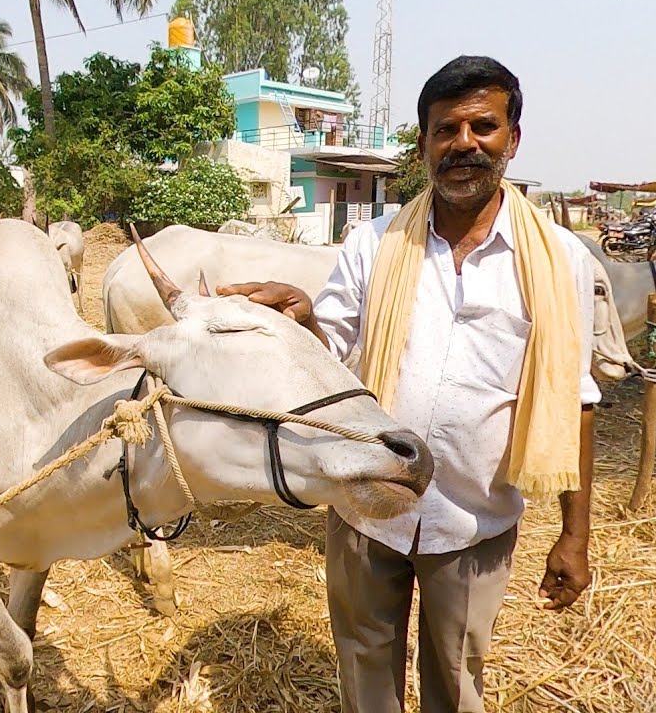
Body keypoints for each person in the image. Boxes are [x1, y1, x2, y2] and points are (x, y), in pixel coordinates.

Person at [218, 56, 597, 713]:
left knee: (455, 682)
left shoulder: (560, 260)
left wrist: (575, 536)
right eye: (446, 129)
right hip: (365, 505)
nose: (465, 143)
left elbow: (578, 400)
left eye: (484, 126)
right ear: (423, 144)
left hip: (473, 519)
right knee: (365, 671)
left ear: (512, 139)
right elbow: (328, 352)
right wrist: (301, 316)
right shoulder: (373, 244)